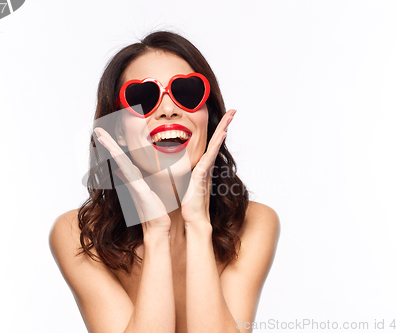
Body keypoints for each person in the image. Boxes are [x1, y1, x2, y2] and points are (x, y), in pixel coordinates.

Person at [49, 31, 280, 333]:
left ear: (208, 117)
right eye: (143, 98)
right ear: (118, 130)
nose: (168, 109)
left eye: (186, 92)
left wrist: (197, 225)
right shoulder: (78, 235)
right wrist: (156, 230)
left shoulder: (255, 222)